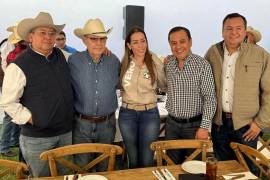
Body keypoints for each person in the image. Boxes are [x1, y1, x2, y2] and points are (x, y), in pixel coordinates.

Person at [0, 12, 74, 177]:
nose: (48, 37)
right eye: (42, 33)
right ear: (30, 37)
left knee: (63, 175)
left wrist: (102, 49)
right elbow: (8, 102)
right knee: (41, 176)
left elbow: (84, 57)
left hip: (65, 133)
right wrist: (31, 118)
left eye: (51, 33)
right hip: (37, 138)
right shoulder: (18, 65)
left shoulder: (61, 56)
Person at [204, 13, 270, 174]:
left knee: (247, 171)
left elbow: (269, 92)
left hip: (247, 126)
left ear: (245, 31)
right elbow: (203, 82)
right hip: (219, 125)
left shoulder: (260, 55)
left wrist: (259, 124)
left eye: (238, 28)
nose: (234, 32)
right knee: (224, 171)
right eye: (229, 28)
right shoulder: (212, 52)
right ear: (222, 31)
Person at [68, 18, 120, 172]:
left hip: (107, 124)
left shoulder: (114, 60)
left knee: (105, 166)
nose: (99, 43)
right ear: (84, 40)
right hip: (81, 125)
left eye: (102, 39)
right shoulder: (73, 61)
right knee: (82, 167)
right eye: (93, 39)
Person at [165, 26, 216, 164]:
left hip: (195, 127)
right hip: (172, 126)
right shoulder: (168, 65)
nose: (178, 46)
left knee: (195, 168)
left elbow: (210, 99)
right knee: (171, 166)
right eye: (173, 43)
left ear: (190, 42)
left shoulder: (202, 65)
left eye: (182, 41)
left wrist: (204, 127)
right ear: (170, 45)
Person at [119, 26, 166, 168]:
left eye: (143, 41)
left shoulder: (154, 60)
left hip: (149, 114)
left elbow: (164, 84)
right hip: (127, 114)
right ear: (129, 45)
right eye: (135, 42)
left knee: (146, 160)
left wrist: (164, 63)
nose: (140, 45)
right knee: (132, 160)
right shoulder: (125, 62)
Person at [0, 24, 26, 157]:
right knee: (10, 117)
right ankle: (4, 147)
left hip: (11, 86)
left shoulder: (13, 52)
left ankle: (13, 141)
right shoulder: (18, 53)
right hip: (11, 87)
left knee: (14, 116)